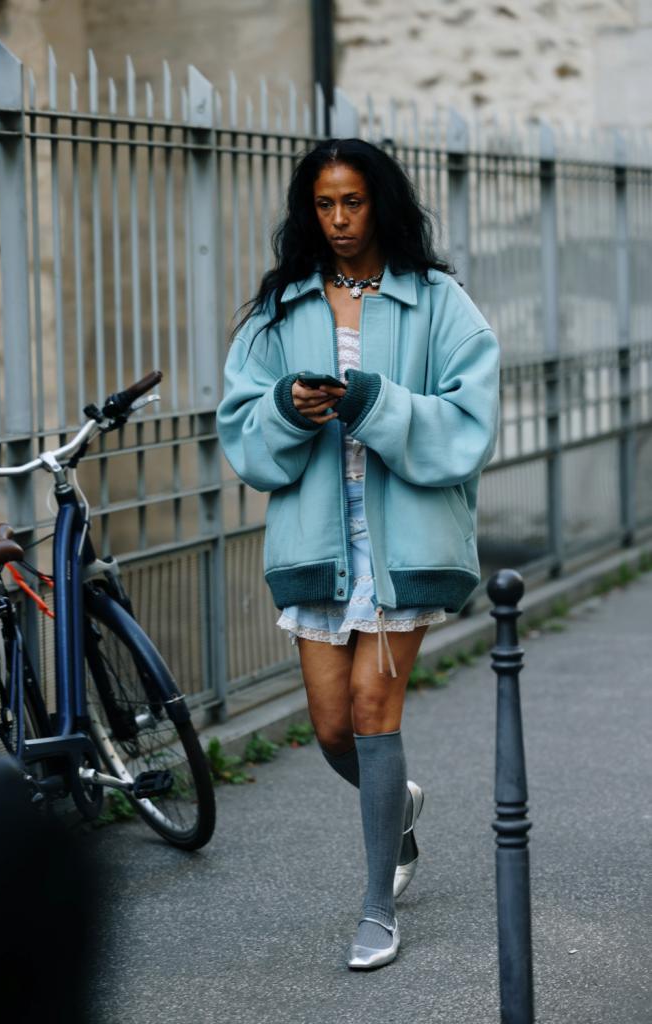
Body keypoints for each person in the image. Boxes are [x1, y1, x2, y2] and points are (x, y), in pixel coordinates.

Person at [216, 138, 500, 970]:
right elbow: (240, 428)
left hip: (401, 537)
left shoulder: (439, 301)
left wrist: (371, 401)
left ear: (383, 204)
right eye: (323, 205)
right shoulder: (282, 307)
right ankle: (396, 804)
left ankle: (378, 905)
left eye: (354, 202)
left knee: (376, 717)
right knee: (331, 727)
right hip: (314, 534)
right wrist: (288, 406)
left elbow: (469, 422)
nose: (338, 221)